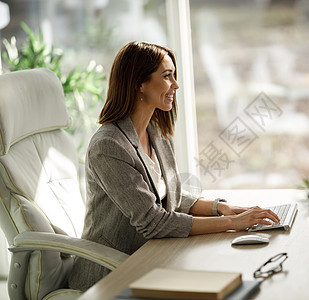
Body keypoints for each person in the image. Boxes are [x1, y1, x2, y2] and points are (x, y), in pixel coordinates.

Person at [68, 41, 279, 291]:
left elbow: (172, 198)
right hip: (112, 273)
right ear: (139, 84)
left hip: (154, 256)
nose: (175, 85)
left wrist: (223, 208)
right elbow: (153, 221)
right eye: (167, 76)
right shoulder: (109, 146)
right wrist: (232, 224)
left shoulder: (155, 131)